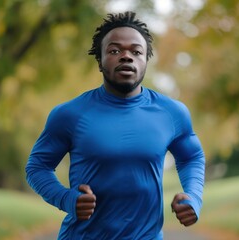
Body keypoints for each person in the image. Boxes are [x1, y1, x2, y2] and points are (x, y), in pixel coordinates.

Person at [25, 11, 205, 240]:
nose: (126, 56)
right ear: (100, 62)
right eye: (114, 50)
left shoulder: (172, 113)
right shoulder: (69, 114)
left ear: (146, 61)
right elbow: (37, 167)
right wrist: (67, 199)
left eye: (136, 51)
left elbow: (192, 157)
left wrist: (193, 197)